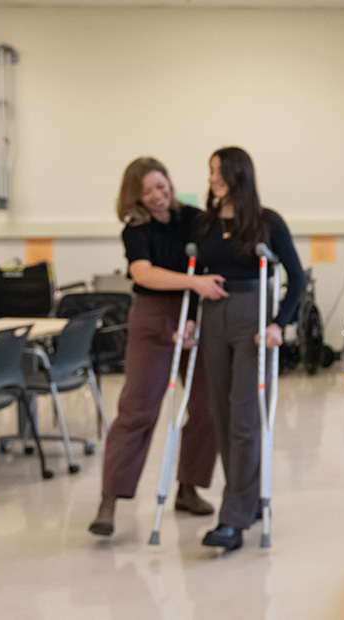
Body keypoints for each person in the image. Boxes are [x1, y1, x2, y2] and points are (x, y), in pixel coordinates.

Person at [89, 157, 224, 537]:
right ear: (136, 196)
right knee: (138, 408)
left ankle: (188, 487)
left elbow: (211, 264)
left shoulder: (194, 219)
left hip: (194, 314)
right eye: (148, 191)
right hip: (151, 314)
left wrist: (195, 313)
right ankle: (109, 499)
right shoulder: (135, 229)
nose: (157, 196)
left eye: (162, 187)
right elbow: (142, 272)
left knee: (206, 404)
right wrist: (191, 283)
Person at [192, 146, 306, 551]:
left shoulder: (266, 222)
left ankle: (233, 518)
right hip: (211, 315)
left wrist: (279, 323)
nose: (213, 179)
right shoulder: (204, 224)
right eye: (210, 172)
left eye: (219, 171)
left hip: (253, 316)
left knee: (244, 417)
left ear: (239, 175)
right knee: (221, 416)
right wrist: (190, 320)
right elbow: (196, 274)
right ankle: (249, 498)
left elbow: (297, 278)